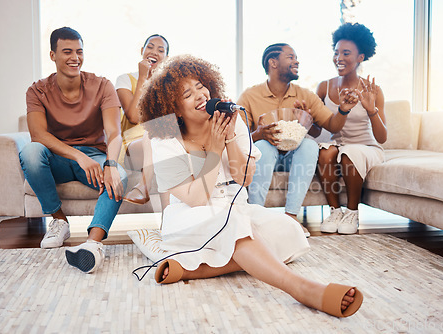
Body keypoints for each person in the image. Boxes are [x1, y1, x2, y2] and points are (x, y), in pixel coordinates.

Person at [139, 54, 363, 318]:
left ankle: (191, 268)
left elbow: (243, 179)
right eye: (188, 94)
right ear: (174, 107)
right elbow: (195, 198)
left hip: (235, 206)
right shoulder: (164, 136)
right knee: (237, 228)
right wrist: (213, 147)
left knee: (290, 232)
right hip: (190, 215)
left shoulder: (232, 121)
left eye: (201, 86)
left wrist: (231, 136)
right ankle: (303, 288)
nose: (200, 95)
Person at [19, 27, 127, 273]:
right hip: (57, 159)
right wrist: (77, 155)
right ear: (52, 55)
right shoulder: (37, 91)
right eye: (67, 52)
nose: (74, 58)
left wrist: (110, 164)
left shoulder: (102, 86)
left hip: (94, 156)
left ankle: (93, 244)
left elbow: (114, 132)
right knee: (31, 152)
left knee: (119, 176)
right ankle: (59, 220)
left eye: (79, 52)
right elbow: (38, 135)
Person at [236, 43, 358, 236]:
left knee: (309, 145)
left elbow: (333, 125)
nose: (297, 61)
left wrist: (343, 109)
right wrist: (259, 133)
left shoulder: (304, 95)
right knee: (263, 147)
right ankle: (255, 218)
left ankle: (291, 218)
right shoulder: (250, 96)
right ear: (273, 62)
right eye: (291, 57)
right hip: (264, 157)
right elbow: (237, 139)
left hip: (294, 158)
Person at [316, 23, 387, 234]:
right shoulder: (324, 87)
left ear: (360, 57)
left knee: (350, 152)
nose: (339, 57)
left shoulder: (373, 90)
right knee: (326, 150)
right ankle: (335, 210)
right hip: (336, 146)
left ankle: (352, 212)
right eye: (336, 52)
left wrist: (371, 110)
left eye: (346, 53)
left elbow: (382, 138)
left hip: (366, 147)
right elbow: (315, 125)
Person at [115, 34, 170, 206]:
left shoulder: (168, 86)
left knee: (166, 157)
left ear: (166, 58)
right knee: (151, 134)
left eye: (160, 50)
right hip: (132, 147)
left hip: (162, 145)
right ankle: (143, 186)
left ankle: (168, 225)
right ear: (142, 51)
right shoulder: (125, 79)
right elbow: (133, 117)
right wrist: (142, 78)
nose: (154, 52)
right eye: (150, 47)